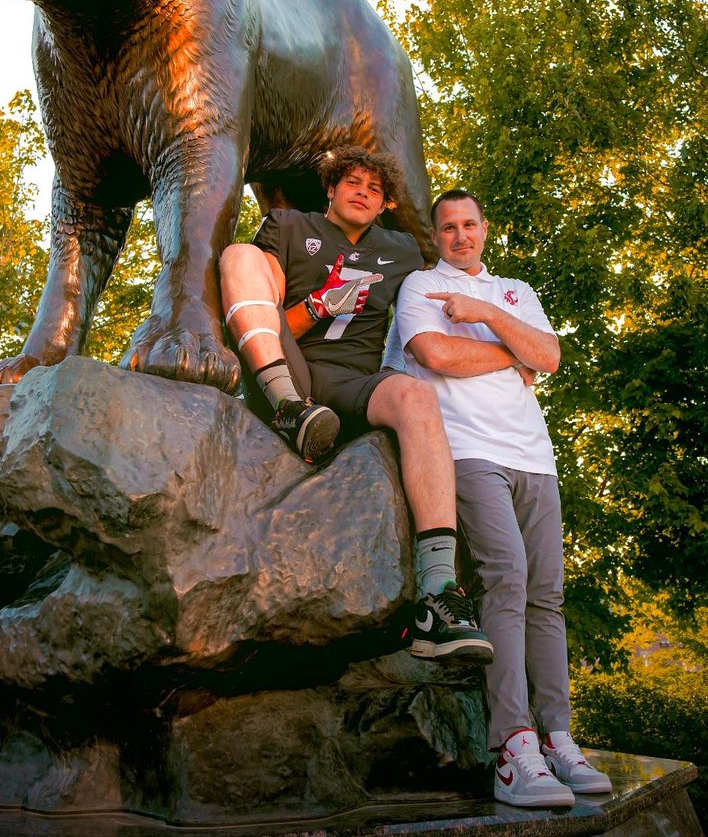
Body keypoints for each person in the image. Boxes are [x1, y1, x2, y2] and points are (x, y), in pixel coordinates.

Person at [219, 147, 492, 663]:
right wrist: (320, 304)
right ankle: (287, 409)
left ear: (387, 203)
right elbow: (264, 311)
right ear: (331, 187)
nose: (362, 191)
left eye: (374, 187)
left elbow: (455, 280)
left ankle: (439, 591)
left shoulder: (403, 249)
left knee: (415, 395)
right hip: (288, 367)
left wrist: (511, 345)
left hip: (352, 383)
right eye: (352, 181)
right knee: (239, 256)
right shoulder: (288, 225)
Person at [393, 188, 612, 807]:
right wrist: (509, 353)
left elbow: (550, 356)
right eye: (447, 229)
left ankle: (559, 739)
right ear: (434, 238)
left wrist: (488, 316)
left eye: (469, 225)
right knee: (507, 577)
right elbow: (435, 353)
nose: (459, 237)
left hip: (533, 457)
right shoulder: (421, 288)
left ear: (485, 229)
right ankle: (513, 749)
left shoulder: (516, 291)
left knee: (548, 594)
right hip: (467, 451)